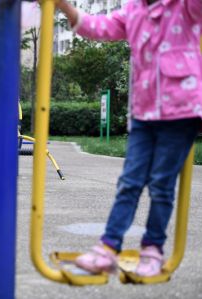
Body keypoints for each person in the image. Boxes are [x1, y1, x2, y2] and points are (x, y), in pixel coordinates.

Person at [56, 0, 202, 276]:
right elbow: (98, 26)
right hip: (144, 112)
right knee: (129, 182)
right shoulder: (134, 9)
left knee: (161, 184)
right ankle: (108, 248)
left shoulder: (184, 6)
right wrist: (66, 8)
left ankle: (153, 249)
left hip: (180, 110)